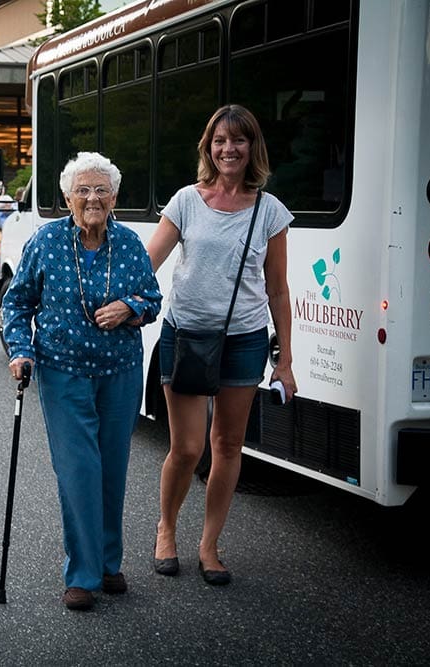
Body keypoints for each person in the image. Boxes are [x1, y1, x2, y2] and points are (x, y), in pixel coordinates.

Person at [145, 104, 297, 586]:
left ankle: (209, 545)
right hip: (186, 335)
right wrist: (116, 302)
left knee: (228, 445)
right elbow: (148, 262)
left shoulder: (270, 211)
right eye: (219, 141)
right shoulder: (187, 200)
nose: (228, 149)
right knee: (187, 448)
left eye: (238, 140)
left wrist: (285, 361)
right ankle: (166, 529)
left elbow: (277, 289)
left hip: (244, 341)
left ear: (253, 148)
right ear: (208, 148)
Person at [3, 152, 162, 610]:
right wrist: (20, 350)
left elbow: (152, 297)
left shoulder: (130, 244)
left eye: (101, 190)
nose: (92, 197)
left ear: (114, 197)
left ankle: (109, 563)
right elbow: (17, 303)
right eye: (83, 190)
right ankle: (84, 573)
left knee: (112, 470)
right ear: (67, 197)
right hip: (64, 373)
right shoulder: (46, 242)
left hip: (120, 373)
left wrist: (130, 307)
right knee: (78, 472)